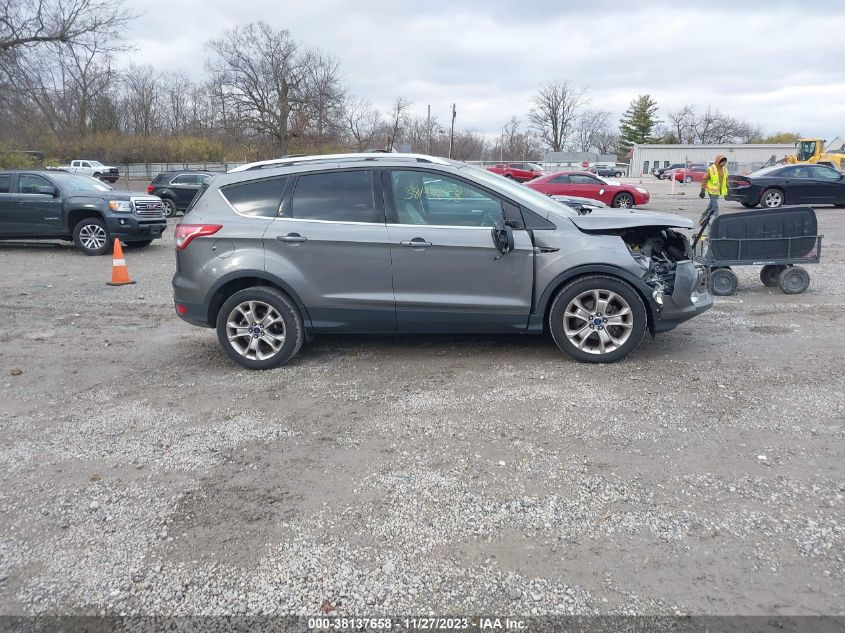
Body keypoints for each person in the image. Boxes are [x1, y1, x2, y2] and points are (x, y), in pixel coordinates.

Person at [698, 154, 728, 227]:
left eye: (725, 161)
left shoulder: (725, 169)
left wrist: (728, 188)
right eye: (722, 161)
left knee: (710, 206)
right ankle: (717, 221)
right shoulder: (712, 169)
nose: (724, 163)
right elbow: (704, 179)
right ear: (718, 161)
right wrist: (702, 190)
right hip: (711, 192)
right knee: (715, 207)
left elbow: (726, 180)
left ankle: (702, 218)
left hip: (718, 192)